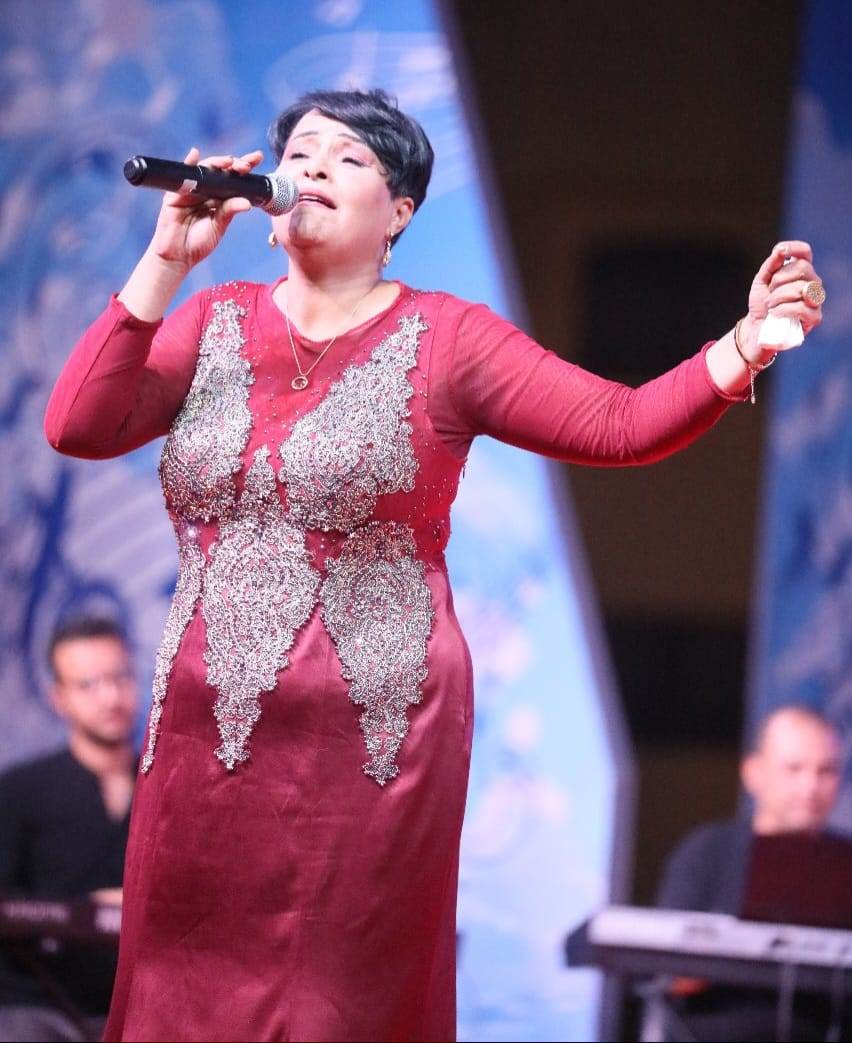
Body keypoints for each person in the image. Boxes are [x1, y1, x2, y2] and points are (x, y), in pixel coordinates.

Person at [43, 88, 826, 1043]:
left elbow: (619, 425)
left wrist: (748, 342)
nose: (314, 166)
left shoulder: (447, 339)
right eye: (301, 151)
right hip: (206, 733)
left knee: (335, 1004)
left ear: (400, 212)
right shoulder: (210, 320)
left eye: (349, 158)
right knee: (179, 991)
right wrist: (166, 259)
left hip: (365, 737)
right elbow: (76, 424)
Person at [652, 705, 845, 1042]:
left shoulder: (844, 861)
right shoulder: (707, 852)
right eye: (794, 769)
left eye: (825, 771)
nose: (810, 787)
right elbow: (663, 965)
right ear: (754, 773)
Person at [0, 616, 138, 1043]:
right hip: (38, 1005)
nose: (110, 697)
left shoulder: (166, 787)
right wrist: (88, 909)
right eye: (89, 684)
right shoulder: (20, 790)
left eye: (120, 677)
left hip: (143, 1002)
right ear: (58, 698)